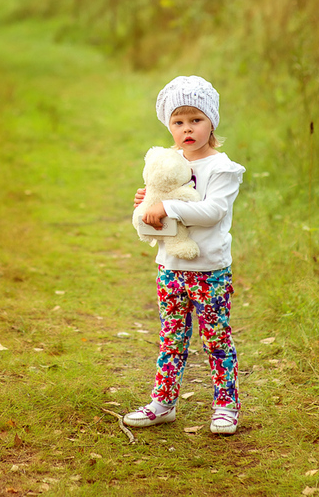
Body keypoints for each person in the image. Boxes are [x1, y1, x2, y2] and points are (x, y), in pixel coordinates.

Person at [123, 75, 245, 435]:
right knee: (171, 338)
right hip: (170, 268)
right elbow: (158, 199)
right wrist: (147, 202)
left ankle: (225, 405)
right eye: (178, 122)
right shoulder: (168, 161)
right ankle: (163, 403)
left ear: (211, 123)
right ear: (169, 126)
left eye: (196, 120)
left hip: (209, 270)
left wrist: (168, 206)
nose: (187, 129)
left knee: (216, 339)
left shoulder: (222, 168)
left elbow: (212, 212)